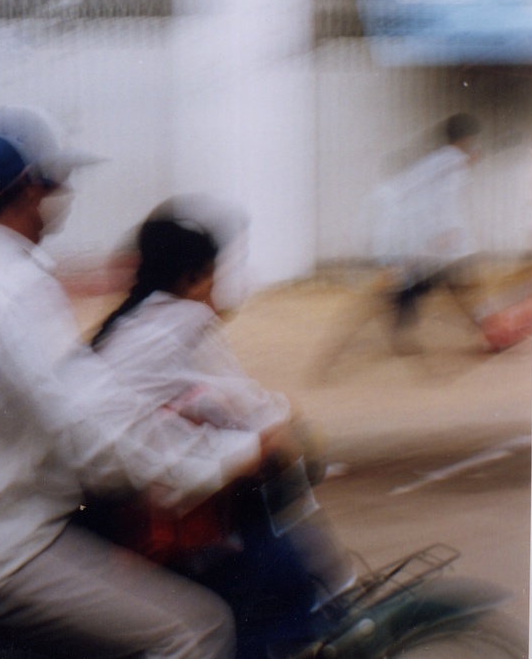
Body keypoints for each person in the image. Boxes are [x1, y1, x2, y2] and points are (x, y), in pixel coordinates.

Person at [0, 106, 277, 659]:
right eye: (58, 181)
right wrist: (225, 459)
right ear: (28, 189)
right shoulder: (12, 293)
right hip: (17, 545)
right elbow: (91, 432)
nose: (65, 193)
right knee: (198, 630)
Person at [92, 216, 356, 657]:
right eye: (216, 276)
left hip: (121, 505)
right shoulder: (182, 320)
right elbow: (252, 415)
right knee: (281, 581)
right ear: (194, 278)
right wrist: (284, 425)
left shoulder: (127, 325)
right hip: (150, 513)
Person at [370, 113, 484, 352]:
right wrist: (446, 232)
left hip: (414, 233)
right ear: (468, 138)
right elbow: (445, 200)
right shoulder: (453, 163)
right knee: (450, 281)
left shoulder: (441, 158)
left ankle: (481, 325)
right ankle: (485, 326)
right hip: (433, 237)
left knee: (433, 282)